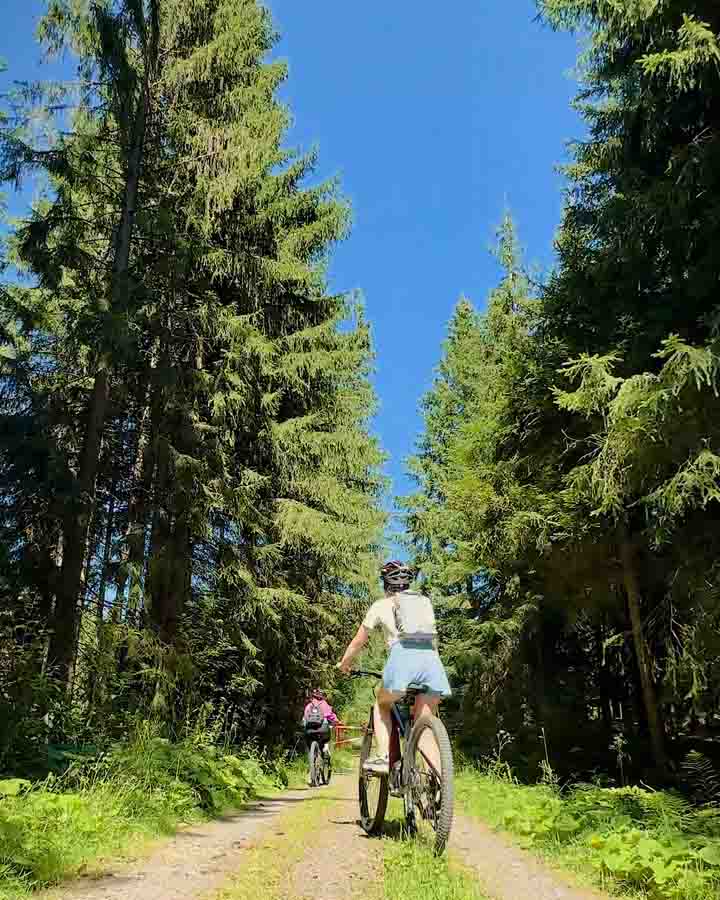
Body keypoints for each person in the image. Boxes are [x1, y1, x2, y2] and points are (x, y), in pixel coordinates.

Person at [337, 560, 451, 774]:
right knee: (424, 726)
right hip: (431, 662)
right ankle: (438, 787)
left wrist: (344, 663)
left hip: (402, 660)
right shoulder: (424, 602)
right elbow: (433, 640)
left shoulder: (380, 605)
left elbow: (358, 641)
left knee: (380, 705)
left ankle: (384, 757)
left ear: (385, 583)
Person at [302, 688, 339, 784]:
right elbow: (331, 716)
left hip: (309, 730)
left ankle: (311, 764)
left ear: (313, 696)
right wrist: (336, 721)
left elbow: (305, 717)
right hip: (323, 729)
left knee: (309, 745)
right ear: (322, 696)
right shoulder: (325, 705)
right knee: (325, 739)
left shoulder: (309, 706)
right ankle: (325, 748)